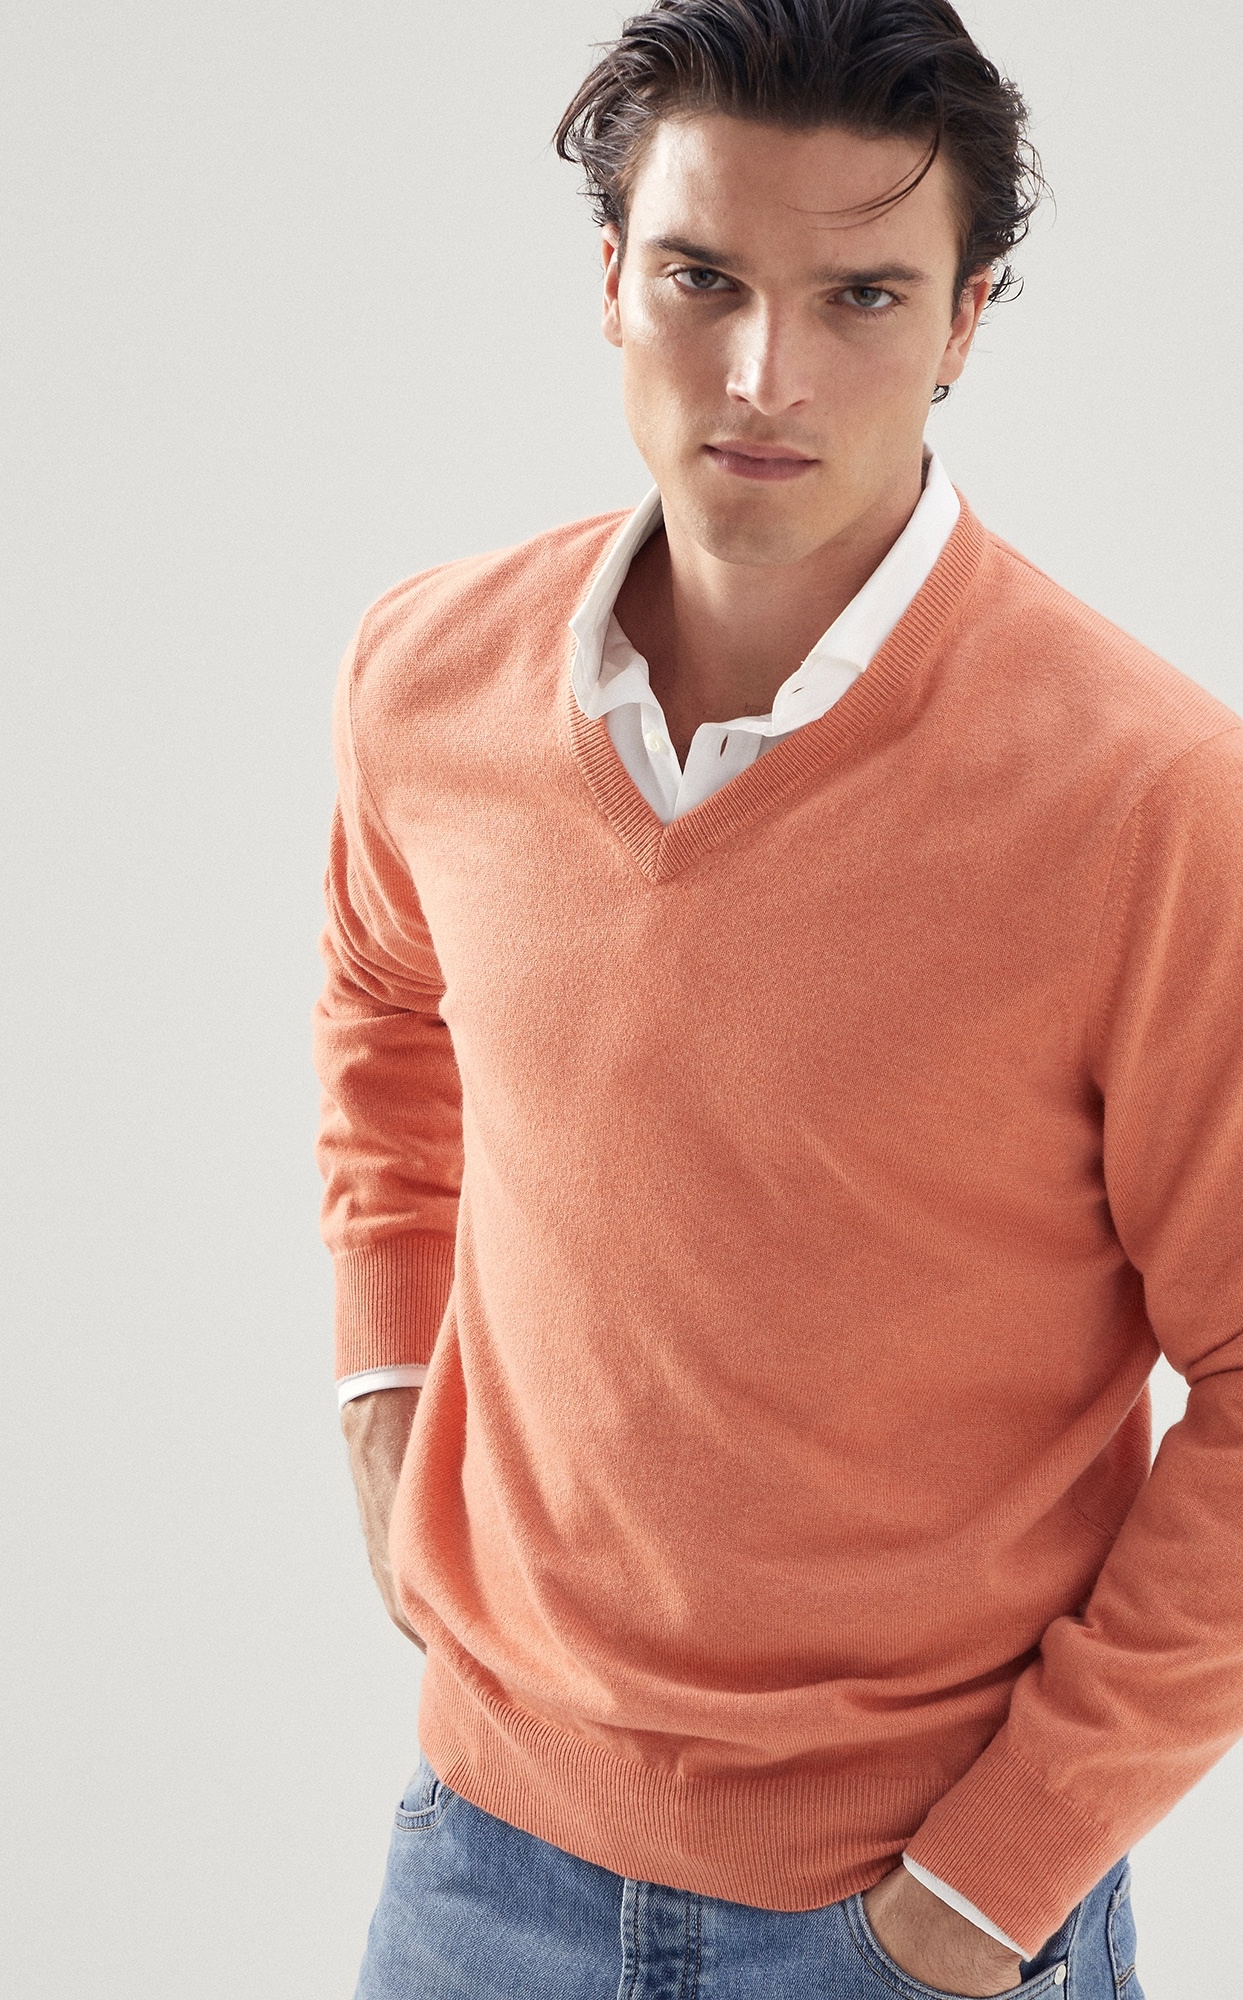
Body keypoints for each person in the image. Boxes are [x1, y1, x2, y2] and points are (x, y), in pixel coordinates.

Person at [310, 3, 1243, 1994]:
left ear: (966, 323)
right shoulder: (427, 676)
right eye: (704, 279)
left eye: (861, 297)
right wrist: (386, 1388)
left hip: (908, 1912)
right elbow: (386, 1006)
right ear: (610, 281)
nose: (764, 374)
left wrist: (990, 1884)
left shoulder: (1150, 800)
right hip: (477, 1869)